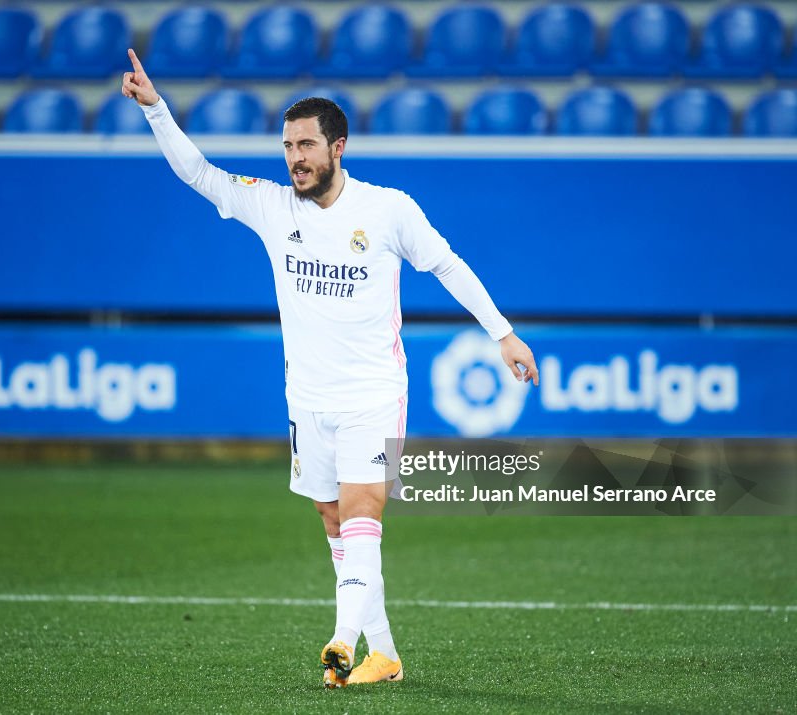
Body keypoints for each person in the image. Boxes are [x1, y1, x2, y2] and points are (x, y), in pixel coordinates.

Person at [121, 49, 539, 688]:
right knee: (332, 518)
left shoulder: (388, 209)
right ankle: (386, 654)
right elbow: (199, 174)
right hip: (306, 399)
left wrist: (503, 333)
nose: (295, 158)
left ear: (337, 147)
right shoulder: (271, 207)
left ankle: (342, 639)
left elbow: (448, 264)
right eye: (288, 146)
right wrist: (157, 110)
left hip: (374, 392)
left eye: (307, 146)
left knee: (362, 509)